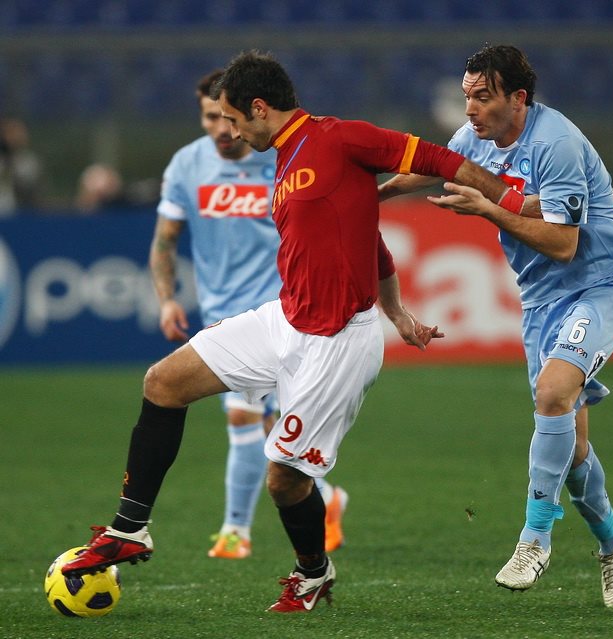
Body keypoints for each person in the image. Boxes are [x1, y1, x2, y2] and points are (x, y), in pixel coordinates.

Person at [61, 49, 524, 613]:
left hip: (337, 342)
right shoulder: (285, 159)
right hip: (284, 319)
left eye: (234, 119)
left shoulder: (339, 138)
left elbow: (439, 158)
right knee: (163, 382)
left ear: (260, 108)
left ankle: (312, 573)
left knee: (284, 481)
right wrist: (400, 313)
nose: (232, 132)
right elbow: (371, 244)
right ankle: (130, 529)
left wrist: (512, 201)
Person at [379, 44, 613, 608]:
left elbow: (564, 244)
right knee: (571, 447)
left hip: (600, 284)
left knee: (552, 392)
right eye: (467, 95)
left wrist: (488, 210)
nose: (469, 108)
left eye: (482, 97)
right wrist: (367, 195)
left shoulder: (556, 144)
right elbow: (429, 169)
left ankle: (534, 539)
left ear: (518, 98)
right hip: (542, 300)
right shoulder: (472, 137)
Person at [150, 69, 348, 560]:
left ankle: (236, 530)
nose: (220, 128)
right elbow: (165, 240)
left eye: (227, 117)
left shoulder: (279, 158)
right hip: (224, 317)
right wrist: (167, 298)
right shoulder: (187, 165)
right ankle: (321, 499)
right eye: (209, 117)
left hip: (285, 311)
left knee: (253, 421)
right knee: (262, 426)